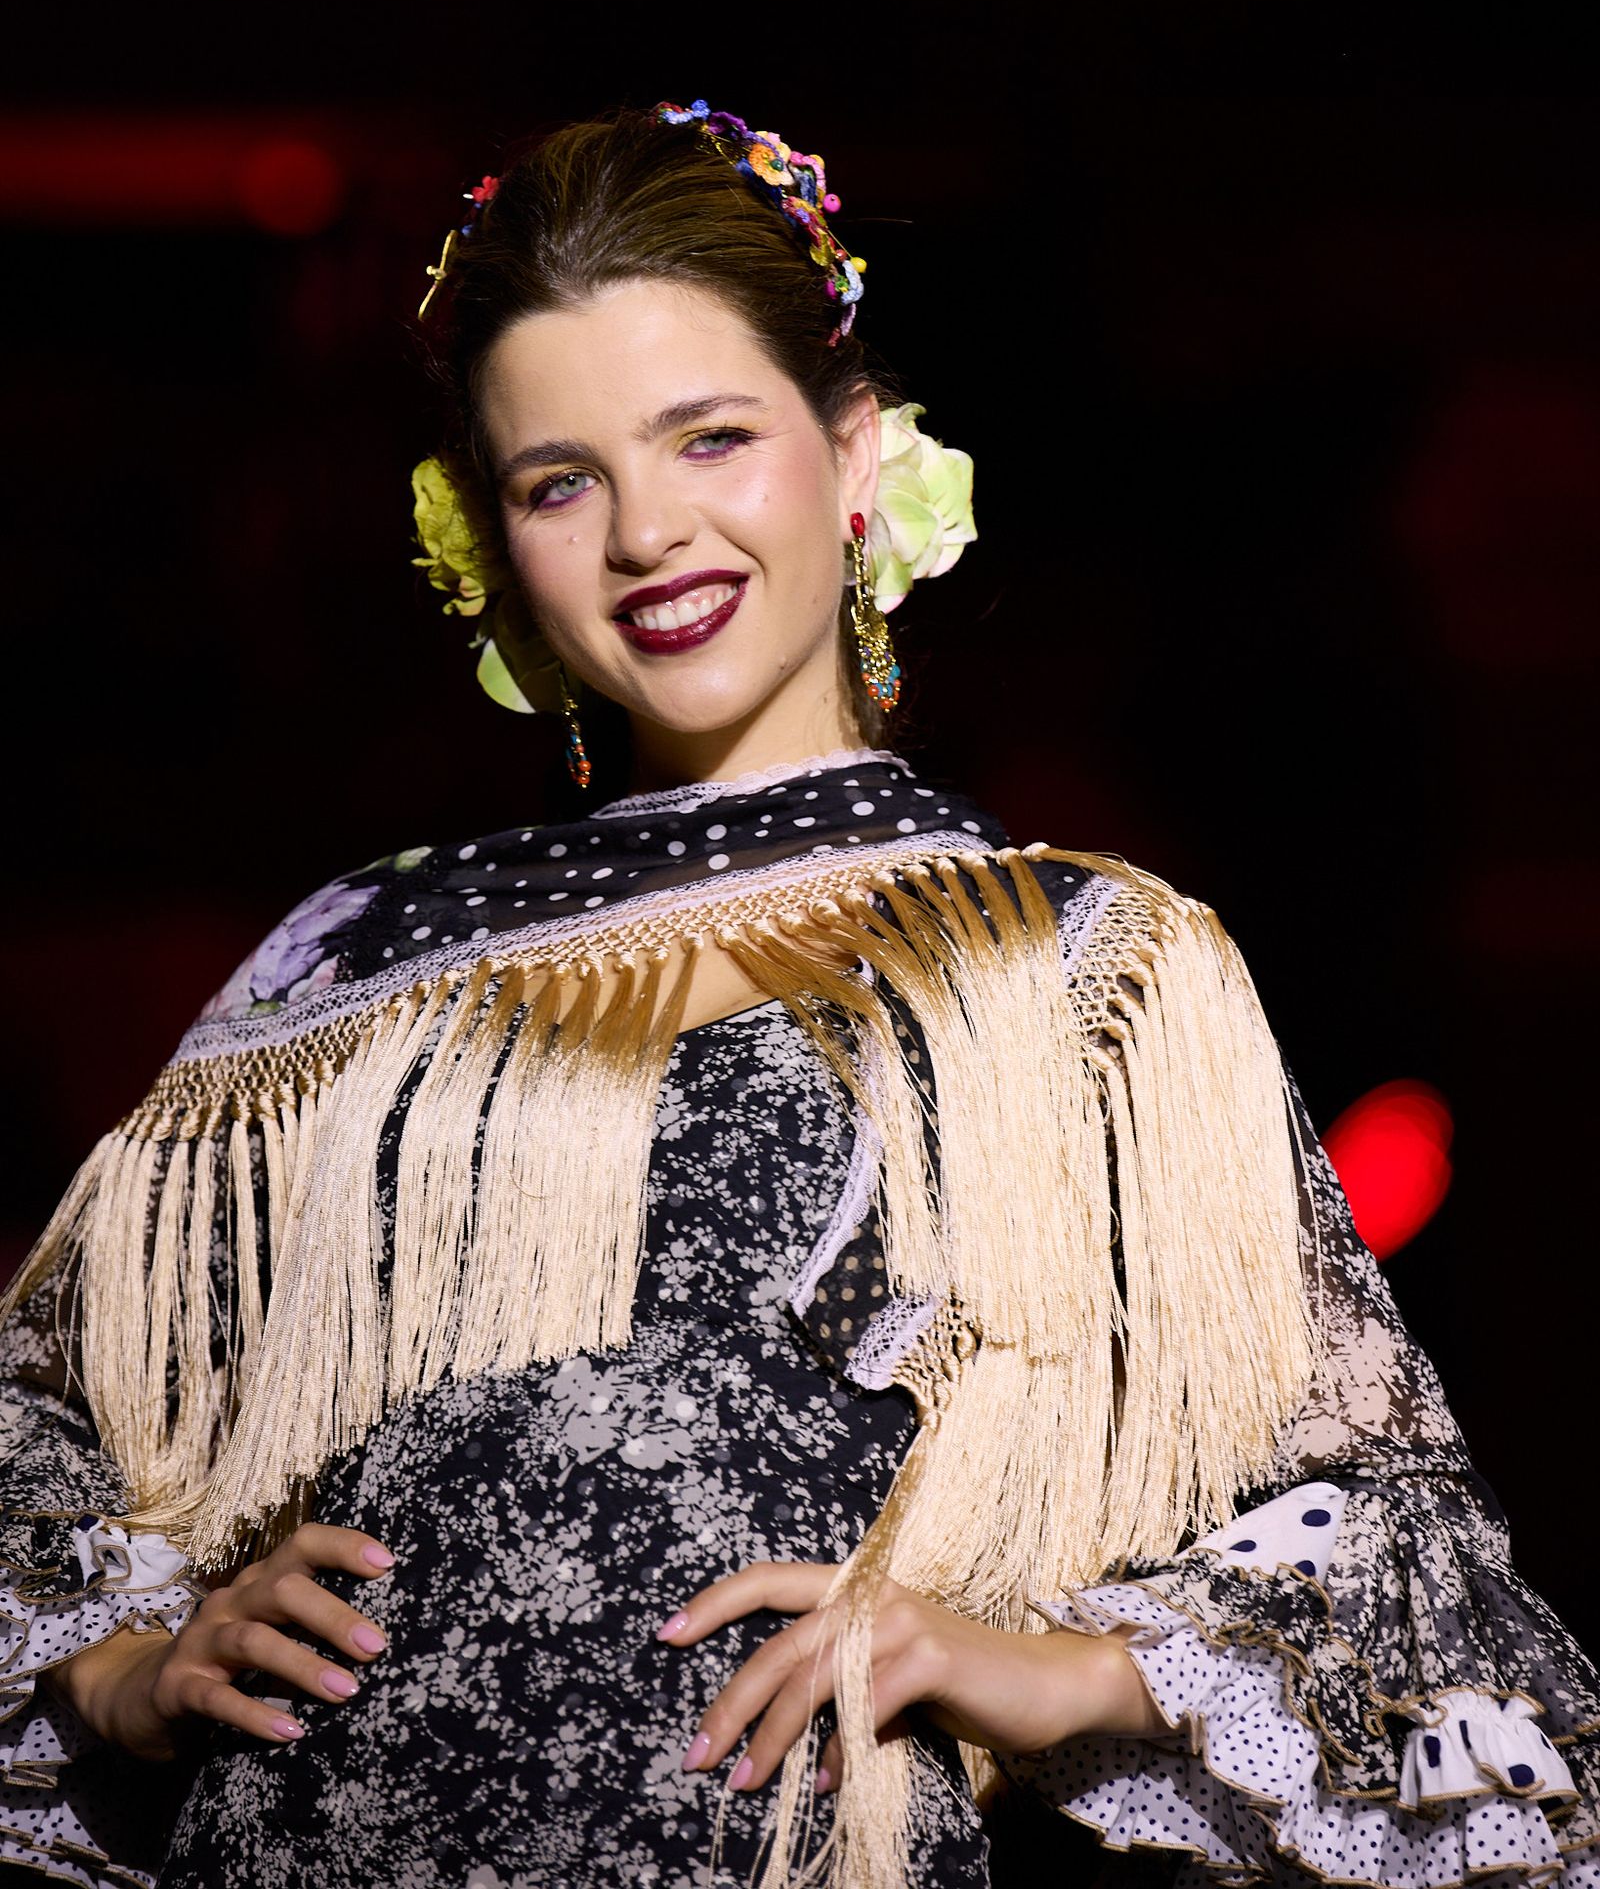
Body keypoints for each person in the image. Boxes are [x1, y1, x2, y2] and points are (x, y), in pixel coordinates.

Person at [1, 99, 1595, 1889]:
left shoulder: (1079, 972)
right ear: (493, 542)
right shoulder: (351, 963)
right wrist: (123, 1666)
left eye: (710, 438)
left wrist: (1052, 1668)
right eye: (561, 480)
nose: (646, 535)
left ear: (853, 455)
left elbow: (1394, 1551)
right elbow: (43, 1412)